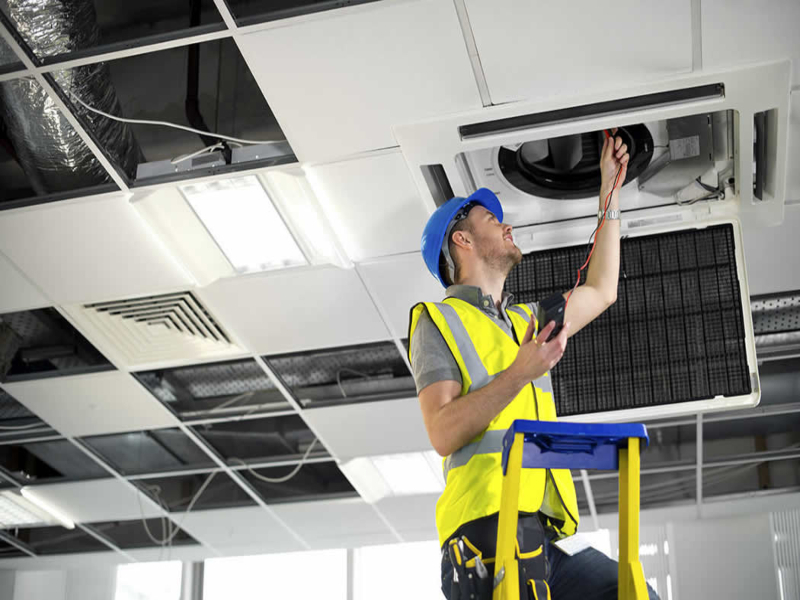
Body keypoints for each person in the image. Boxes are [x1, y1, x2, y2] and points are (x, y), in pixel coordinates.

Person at [408, 131, 659, 599]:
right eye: (491, 219)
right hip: (482, 541)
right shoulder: (437, 321)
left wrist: (610, 191)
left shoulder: (527, 321)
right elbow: (442, 433)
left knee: (630, 592)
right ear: (461, 238)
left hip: (537, 538)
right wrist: (520, 372)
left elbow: (602, 289)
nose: (505, 225)